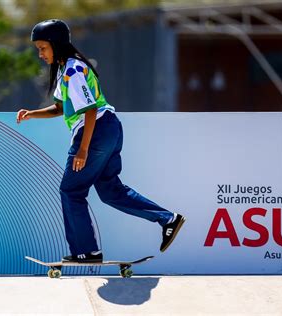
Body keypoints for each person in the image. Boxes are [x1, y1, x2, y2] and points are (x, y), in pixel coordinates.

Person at [17, 19, 185, 263]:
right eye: (38, 49)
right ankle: (167, 219)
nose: (40, 54)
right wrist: (32, 113)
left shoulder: (73, 70)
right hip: (109, 129)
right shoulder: (67, 69)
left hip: (95, 131)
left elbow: (90, 110)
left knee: (71, 191)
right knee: (110, 191)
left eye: (43, 47)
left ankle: (86, 251)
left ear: (56, 44)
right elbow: (60, 108)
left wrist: (83, 149)